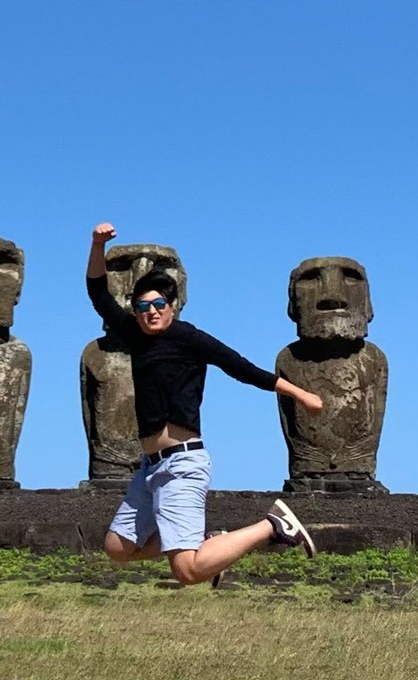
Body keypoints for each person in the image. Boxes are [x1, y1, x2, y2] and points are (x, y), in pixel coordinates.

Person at [88, 221, 322, 584]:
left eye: (159, 304)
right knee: (119, 548)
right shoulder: (135, 336)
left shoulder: (189, 338)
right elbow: (98, 294)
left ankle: (271, 525)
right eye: (143, 305)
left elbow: (241, 368)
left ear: (173, 305)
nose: (152, 311)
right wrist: (97, 245)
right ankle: (209, 543)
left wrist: (301, 394)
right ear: (135, 310)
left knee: (188, 572)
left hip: (182, 463)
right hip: (148, 468)